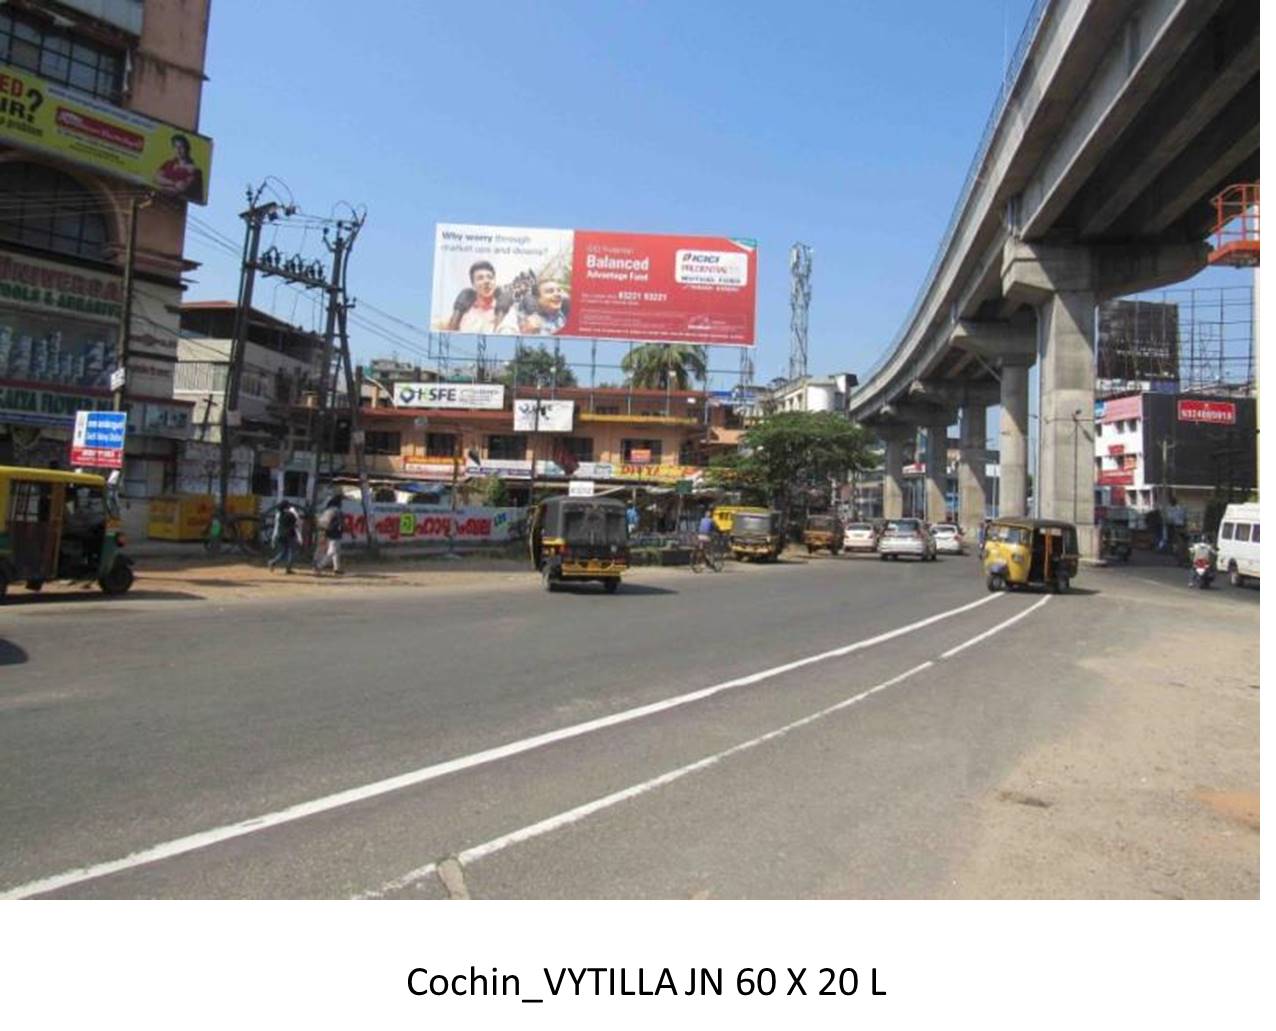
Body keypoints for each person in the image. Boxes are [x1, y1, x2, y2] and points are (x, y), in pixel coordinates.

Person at [446, 260, 502, 333]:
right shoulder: (464, 313)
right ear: (473, 285)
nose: (486, 281)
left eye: (490, 277)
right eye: (480, 278)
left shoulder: (503, 311)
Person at [498, 278, 568, 335]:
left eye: (559, 290)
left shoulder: (565, 316)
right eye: (550, 291)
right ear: (537, 299)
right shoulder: (518, 317)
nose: (557, 294)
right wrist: (524, 335)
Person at [154, 133, 204, 201]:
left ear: (187, 148)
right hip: (158, 198)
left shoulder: (195, 170)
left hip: (175, 203)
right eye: (175, 147)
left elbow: (182, 187)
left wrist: (164, 182)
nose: (178, 150)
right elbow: (157, 177)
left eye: (181, 147)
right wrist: (174, 183)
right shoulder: (169, 163)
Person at [313, 494, 345, 576]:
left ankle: (337, 568)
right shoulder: (338, 511)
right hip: (336, 533)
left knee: (336, 552)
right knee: (332, 551)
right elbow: (341, 523)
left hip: (327, 531)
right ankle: (319, 566)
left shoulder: (327, 510)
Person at [267, 500, 302, 574]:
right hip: (290, 534)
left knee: (284, 552)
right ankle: (288, 568)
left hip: (281, 535)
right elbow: (297, 523)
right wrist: (294, 512)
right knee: (291, 552)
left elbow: (277, 526)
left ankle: (272, 562)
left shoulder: (280, 515)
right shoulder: (290, 514)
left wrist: (274, 537)